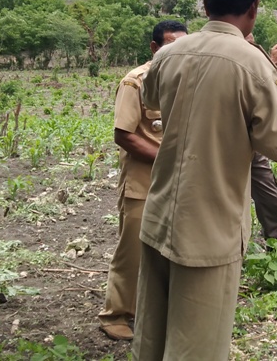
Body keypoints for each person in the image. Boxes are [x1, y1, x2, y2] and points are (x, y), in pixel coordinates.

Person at [133, 0, 277, 360]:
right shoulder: (254, 63)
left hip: (160, 215)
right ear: (254, 8)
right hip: (211, 229)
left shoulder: (170, 53)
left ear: (204, 5)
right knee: (196, 347)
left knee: (151, 337)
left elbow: (150, 99)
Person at [98, 20, 186, 341]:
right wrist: (167, 159)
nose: (177, 52)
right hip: (141, 184)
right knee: (131, 252)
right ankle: (115, 315)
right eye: (170, 45)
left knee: (168, 252)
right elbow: (124, 134)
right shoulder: (135, 83)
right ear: (154, 48)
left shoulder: (186, 83)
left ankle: (152, 312)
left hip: (176, 186)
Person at [245, 33, 277, 241]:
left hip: (252, 146)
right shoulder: (223, 60)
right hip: (227, 144)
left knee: (269, 196)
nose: (250, 42)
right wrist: (271, 64)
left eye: (252, 41)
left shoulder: (255, 58)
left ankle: (273, 243)